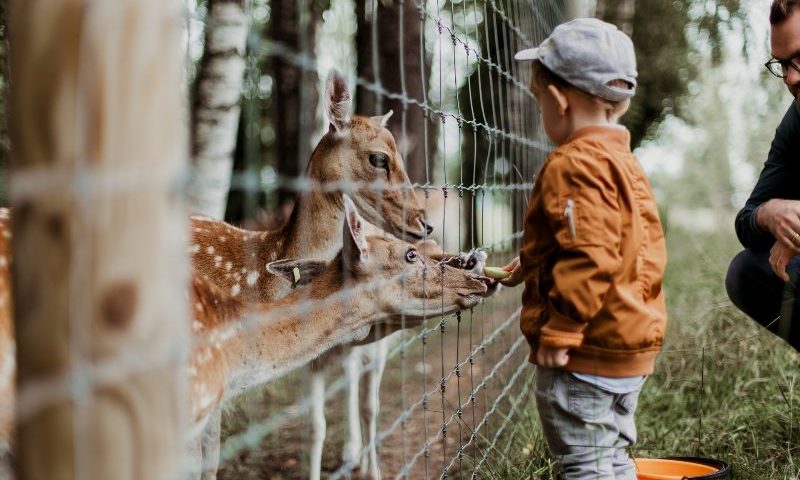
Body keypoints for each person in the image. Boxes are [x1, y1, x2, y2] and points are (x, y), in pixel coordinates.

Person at [500, 18, 667, 479]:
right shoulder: (625, 164)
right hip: (627, 349)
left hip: (584, 353)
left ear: (557, 100)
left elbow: (591, 254)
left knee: (585, 466)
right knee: (611, 460)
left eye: (539, 101)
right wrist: (534, 261)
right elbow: (626, 246)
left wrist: (563, 328)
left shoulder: (572, 165)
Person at [725, 0, 800, 350]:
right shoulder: (796, 121)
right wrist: (770, 215)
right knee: (747, 272)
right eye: (783, 64)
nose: (791, 77)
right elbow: (747, 221)